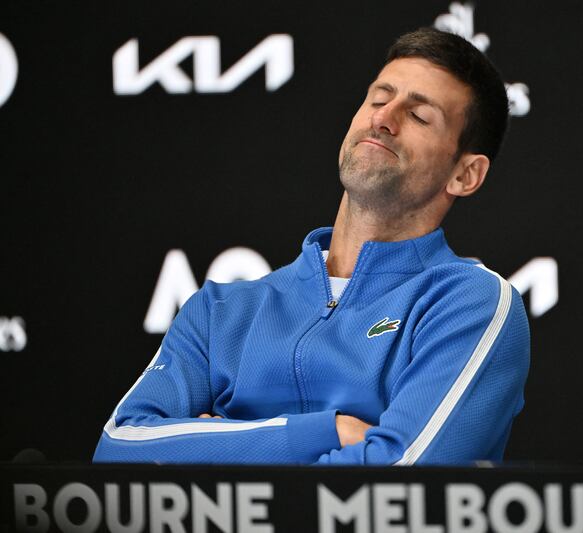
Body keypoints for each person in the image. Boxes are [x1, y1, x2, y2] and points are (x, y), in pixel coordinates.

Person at [93, 28, 530, 465]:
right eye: (379, 99)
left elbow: (399, 478)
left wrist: (220, 444)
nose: (384, 119)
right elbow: (117, 452)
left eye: (419, 116)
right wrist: (329, 432)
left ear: (465, 175)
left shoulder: (468, 303)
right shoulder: (218, 311)